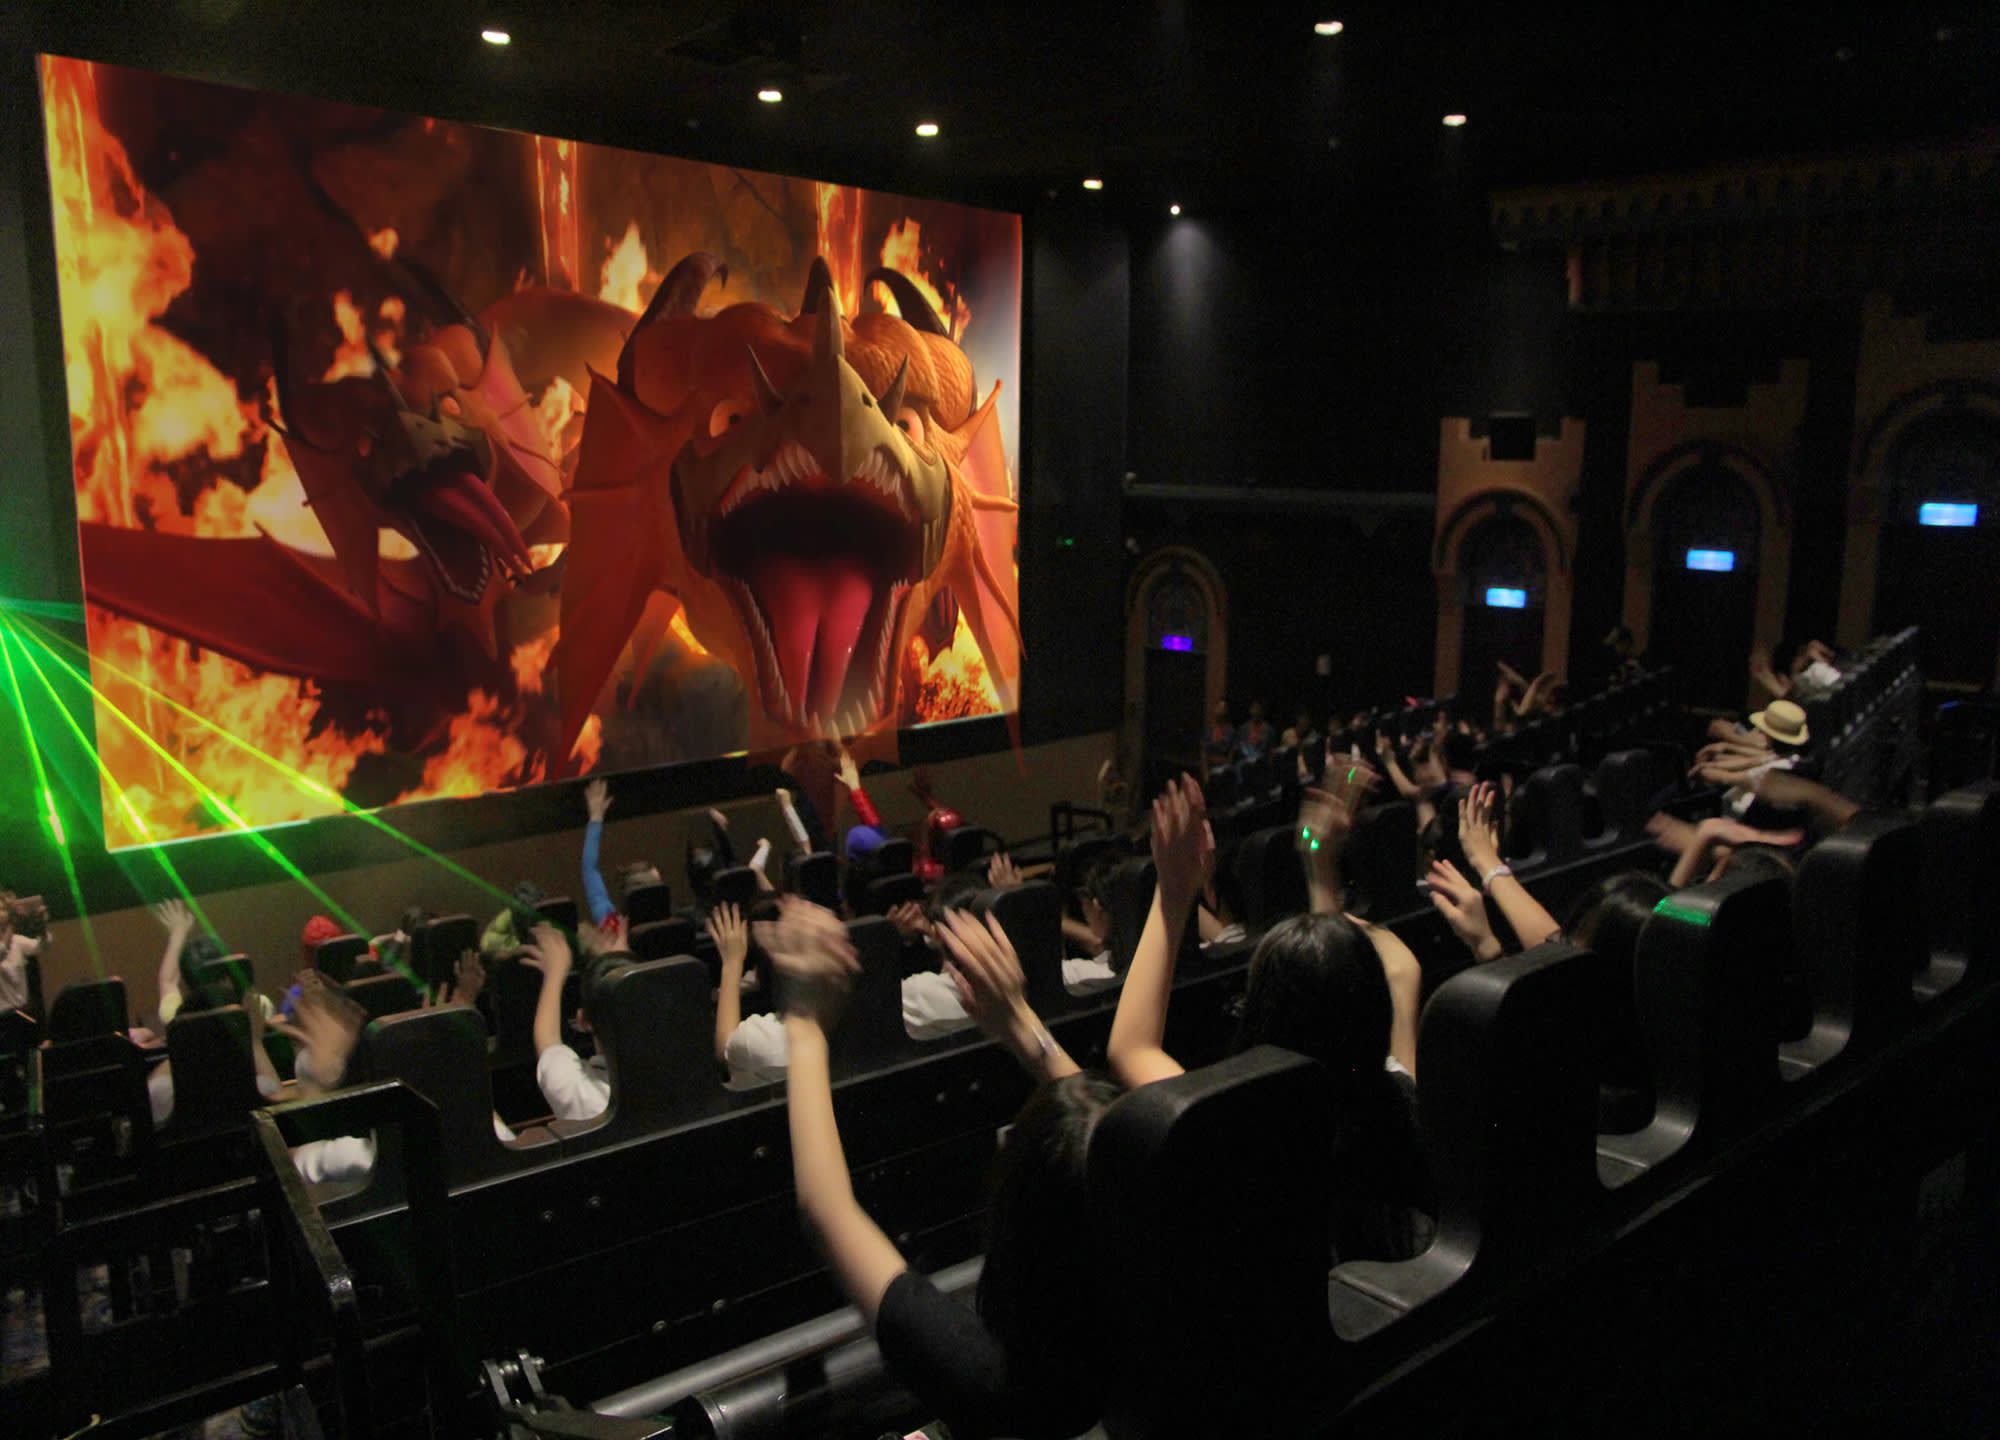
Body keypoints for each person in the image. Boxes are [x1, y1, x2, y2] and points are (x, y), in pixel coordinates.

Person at [759, 893, 1109, 1439]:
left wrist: (805, 1023)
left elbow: (827, 1211)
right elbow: (1114, 1147)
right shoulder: (1187, 1278)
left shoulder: (998, 1380)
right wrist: (1021, 1022)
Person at [1107, 773, 1431, 1265]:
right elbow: (1391, 969)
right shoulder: (1402, 1102)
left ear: (1260, 1014)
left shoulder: (1235, 1137)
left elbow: (1131, 1048)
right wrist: (1319, 862)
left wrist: (1172, 893)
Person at [521, 922, 612, 1122]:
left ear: (583, 1020)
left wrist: (555, 973)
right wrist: (620, 960)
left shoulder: (583, 1093)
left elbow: (549, 1042)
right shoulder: (676, 1071)